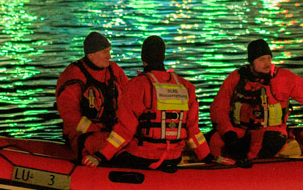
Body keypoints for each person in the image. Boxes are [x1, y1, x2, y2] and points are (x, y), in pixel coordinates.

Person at [83, 35, 212, 170]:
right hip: (174, 157)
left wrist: (100, 156)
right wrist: (208, 157)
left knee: (98, 145)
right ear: (163, 57)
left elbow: (124, 130)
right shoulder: (186, 86)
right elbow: (193, 129)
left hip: (141, 157)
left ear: (143, 58)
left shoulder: (137, 85)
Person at [210, 38, 303, 161]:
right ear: (251, 62)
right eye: (261, 59)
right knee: (216, 140)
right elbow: (218, 108)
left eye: (269, 59)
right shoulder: (236, 78)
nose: (267, 63)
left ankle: (252, 170)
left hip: (271, 133)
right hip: (240, 131)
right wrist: (228, 133)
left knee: (269, 141)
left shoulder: (284, 79)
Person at [55, 31, 129, 161]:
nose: (109, 56)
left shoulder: (115, 71)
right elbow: (70, 115)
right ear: (91, 55)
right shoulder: (73, 75)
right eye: (105, 52)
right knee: (114, 148)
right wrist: (95, 130)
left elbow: (130, 99)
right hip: (85, 135)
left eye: (109, 51)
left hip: (113, 131)